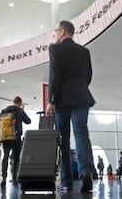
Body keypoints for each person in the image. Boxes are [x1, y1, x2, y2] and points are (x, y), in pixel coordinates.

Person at [46, 20, 95, 193]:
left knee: (64, 139)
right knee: (81, 133)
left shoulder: (55, 48)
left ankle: (67, 181)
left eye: (55, 31)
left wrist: (51, 100)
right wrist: (79, 88)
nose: (54, 34)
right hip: (82, 97)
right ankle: (87, 170)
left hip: (63, 100)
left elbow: (54, 76)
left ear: (62, 31)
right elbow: (88, 76)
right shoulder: (84, 51)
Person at [0, 96, 31, 186]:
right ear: (20, 103)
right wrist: (22, 110)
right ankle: (14, 177)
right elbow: (28, 121)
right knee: (16, 158)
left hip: (5, 137)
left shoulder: (4, 110)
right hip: (15, 137)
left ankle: (4, 177)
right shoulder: (19, 110)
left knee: (5, 156)